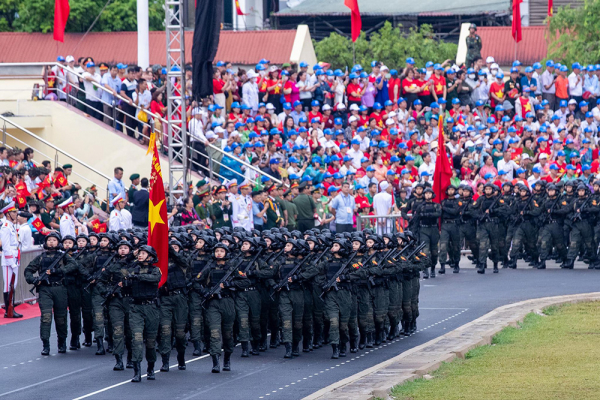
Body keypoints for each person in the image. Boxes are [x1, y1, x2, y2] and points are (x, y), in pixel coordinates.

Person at [24, 232, 78, 355]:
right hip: (45, 289)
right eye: (49, 240)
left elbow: (74, 265)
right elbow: (28, 270)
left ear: (58, 242)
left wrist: (58, 271)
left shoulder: (62, 256)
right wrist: (33, 279)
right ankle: (46, 344)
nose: (51, 242)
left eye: (54, 240)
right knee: (46, 317)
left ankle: (62, 342)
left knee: (61, 317)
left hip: (60, 288)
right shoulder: (41, 257)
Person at [200, 243, 250, 373]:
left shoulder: (232, 268)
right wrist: (204, 292)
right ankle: (215, 362)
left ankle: (227, 360)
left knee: (228, 334)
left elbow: (245, 281)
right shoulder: (209, 268)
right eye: (217, 251)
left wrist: (229, 284)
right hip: (213, 304)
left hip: (227, 302)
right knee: (215, 333)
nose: (219, 253)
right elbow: (196, 281)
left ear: (226, 253)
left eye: (222, 251)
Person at [128, 245, 161, 382]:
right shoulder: (132, 268)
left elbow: (155, 279)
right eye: (139, 253)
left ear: (150, 256)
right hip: (136, 308)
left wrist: (137, 276)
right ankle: (137, 371)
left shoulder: (155, 270)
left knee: (151, 342)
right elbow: (121, 269)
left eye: (143, 253)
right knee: (136, 339)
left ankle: (150, 369)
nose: (140, 255)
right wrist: (131, 255)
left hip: (151, 308)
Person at [1, 202, 22, 318]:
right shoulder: (5, 227)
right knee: (9, 284)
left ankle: (11, 309)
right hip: (9, 260)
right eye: (14, 212)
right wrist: (11, 263)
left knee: (13, 285)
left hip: (14, 257)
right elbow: (6, 246)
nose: (16, 214)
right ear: (8, 214)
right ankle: (8, 310)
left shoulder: (11, 225)